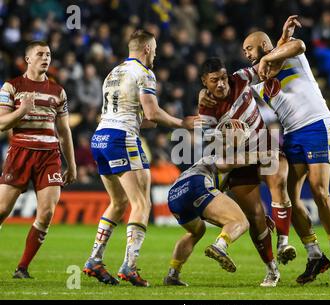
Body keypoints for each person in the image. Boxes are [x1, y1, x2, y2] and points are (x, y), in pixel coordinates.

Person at [82, 30, 198, 287]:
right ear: (146, 48)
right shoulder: (144, 73)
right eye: (154, 49)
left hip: (101, 137)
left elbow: (136, 116)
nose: (155, 53)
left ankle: (94, 259)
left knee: (118, 202)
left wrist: (149, 122)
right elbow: (153, 112)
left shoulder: (113, 72)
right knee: (141, 203)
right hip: (122, 138)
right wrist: (182, 123)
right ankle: (129, 266)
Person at [242, 15, 330, 284]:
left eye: (250, 48)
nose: (246, 54)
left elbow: (298, 45)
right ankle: (314, 254)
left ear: (264, 45)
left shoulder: (291, 55)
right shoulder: (256, 78)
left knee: (319, 190)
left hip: (315, 125)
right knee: (289, 196)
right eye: (244, 51)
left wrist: (276, 47)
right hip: (292, 134)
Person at [198, 56, 296, 287]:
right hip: (240, 161)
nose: (222, 84)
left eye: (223, 78)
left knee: (278, 184)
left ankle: (283, 243)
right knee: (255, 217)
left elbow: (269, 65)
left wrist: (283, 40)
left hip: (265, 146)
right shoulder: (206, 111)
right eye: (214, 81)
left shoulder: (240, 78)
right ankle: (272, 270)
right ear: (204, 81)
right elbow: (219, 160)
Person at [0, 40, 77, 278]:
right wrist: (22, 111)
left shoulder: (58, 91)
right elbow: (2, 123)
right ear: (28, 59)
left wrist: (71, 164)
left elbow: (64, 131)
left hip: (49, 156)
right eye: (40, 54)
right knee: (2, 209)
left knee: (46, 213)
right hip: (20, 153)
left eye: (49, 54)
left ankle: (22, 268)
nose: (46, 58)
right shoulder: (11, 87)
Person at [163, 119, 251, 286]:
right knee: (240, 222)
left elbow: (219, 213)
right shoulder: (223, 153)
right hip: (197, 183)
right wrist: (264, 155)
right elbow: (227, 161)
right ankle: (220, 246)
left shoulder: (212, 153)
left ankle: (173, 274)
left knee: (197, 231)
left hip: (175, 193)